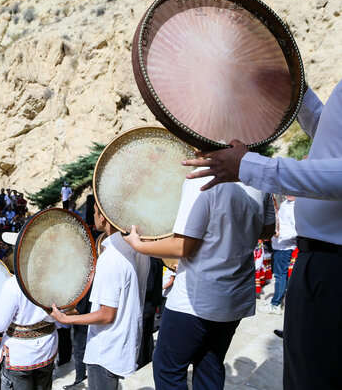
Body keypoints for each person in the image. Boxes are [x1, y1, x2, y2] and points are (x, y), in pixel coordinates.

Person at [182, 80, 342, 389]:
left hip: (332, 269)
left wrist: (251, 167)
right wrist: (298, 92)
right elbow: (331, 139)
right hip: (319, 262)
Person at [124, 171, 275, 390]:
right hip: (235, 296)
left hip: (196, 300)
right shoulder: (258, 174)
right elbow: (268, 231)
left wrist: (138, 245)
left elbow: (182, 247)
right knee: (210, 365)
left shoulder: (202, 177)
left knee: (168, 369)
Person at [49, 202, 150, 390]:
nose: (93, 216)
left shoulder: (111, 258)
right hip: (120, 345)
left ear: (103, 217)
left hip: (106, 351)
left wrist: (66, 318)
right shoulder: (136, 252)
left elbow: (106, 314)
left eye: (95, 212)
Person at [259, 196, 296, 315]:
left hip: (285, 247)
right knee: (280, 274)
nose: (288, 193)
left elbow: (297, 230)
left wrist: (278, 235)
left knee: (280, 275)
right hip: (278, 245)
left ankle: (275, 304)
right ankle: (278, 299)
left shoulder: (295, 207)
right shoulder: (286, 203)